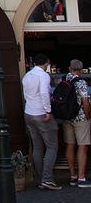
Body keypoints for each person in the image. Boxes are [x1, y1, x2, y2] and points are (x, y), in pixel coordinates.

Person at [22, 52, 61, 190]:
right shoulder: (43, 76)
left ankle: (40, 178)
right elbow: (45, 93)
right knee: (52, 146)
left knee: (37, 146)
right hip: (41, 113)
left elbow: (26, 94)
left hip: (29, 112)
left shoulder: (27, 76)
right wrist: (48, 111)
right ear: (46, 63)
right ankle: (47, 179)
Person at [61, 59, 91, 188]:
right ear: (82, 70)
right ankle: (82, 178)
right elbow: (85, 102)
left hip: (67, 118)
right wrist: (88, 116)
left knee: (70, 145)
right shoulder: (81, 82)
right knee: (82, 146)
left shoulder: (64, 79)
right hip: (80, 118)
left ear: (69, 68)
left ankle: (73, 176)